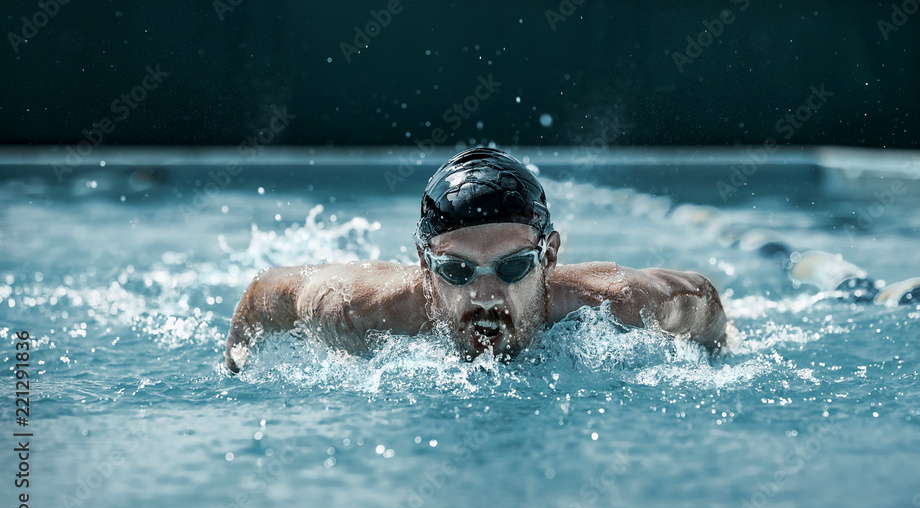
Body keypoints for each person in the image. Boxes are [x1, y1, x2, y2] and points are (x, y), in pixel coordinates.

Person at [224, 147, 728, 373]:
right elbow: (265, 294)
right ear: (425, 266)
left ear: (549, 256)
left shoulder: (620, 303)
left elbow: (702, 296)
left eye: (513, 267)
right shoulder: (354, 310)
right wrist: (234, 369)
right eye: (457, 271)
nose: (486, 296)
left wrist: (721, 348)